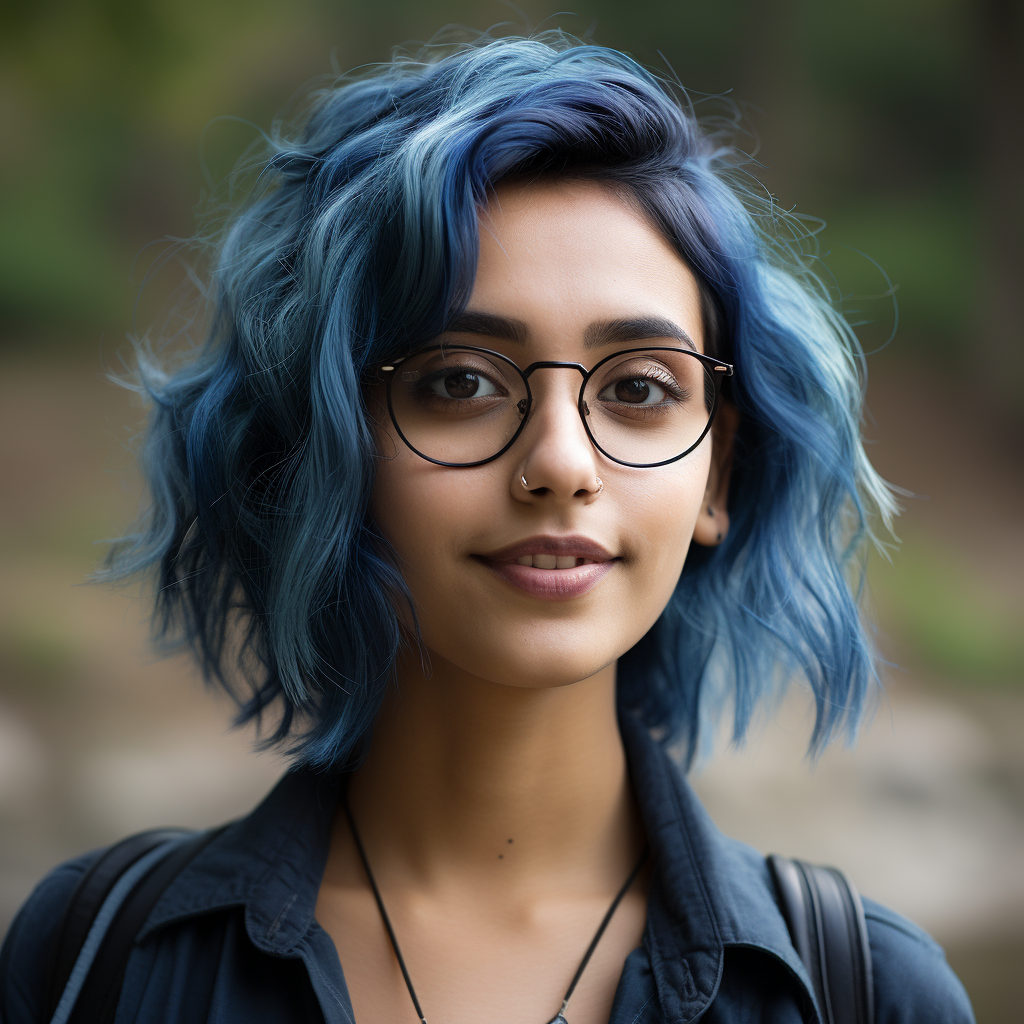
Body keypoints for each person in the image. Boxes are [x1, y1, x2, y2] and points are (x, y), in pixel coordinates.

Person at [0, 31, 974, 1024]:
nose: (559, 462)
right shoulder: (93, 962)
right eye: (459, 382)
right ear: (327, 448)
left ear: (716, 471)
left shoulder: (869, 994)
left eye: (640, 388)